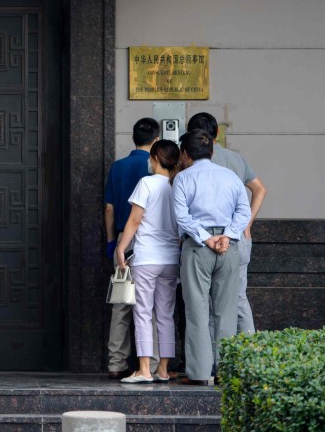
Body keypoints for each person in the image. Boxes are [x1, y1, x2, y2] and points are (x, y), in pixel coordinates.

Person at [172, 129, 251, 385]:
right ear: (212, 151)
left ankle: (199, 374)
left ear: (184, 153)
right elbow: (243, 211)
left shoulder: (183, 179)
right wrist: (227, 235)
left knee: (197, 312)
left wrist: (206, 238)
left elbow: (181, 217)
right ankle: (224, 372)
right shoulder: (230, 177)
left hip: (198, 248)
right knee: (226, 313)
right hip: (228, 249)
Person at [186, 112, 268, 334]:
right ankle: (249, 355)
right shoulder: (236, 158)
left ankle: (214, 361)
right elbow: (260, 189)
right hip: (236, 238)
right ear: (218, 133)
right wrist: (246, 224)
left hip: (204, 241)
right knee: (239, 298)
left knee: (210, 303)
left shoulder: (191, 163)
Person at [115, 139, 182, 384]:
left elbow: (134, 221)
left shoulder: (146, 183)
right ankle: (163, 369)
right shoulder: (179, 184)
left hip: (146, 257)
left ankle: (144, 369)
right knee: (166, 314)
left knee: (143, 312)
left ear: (154, 158)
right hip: (171, 258)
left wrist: (122, 247)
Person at [103, 117, 160, 379]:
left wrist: (111, 242)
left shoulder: (118, 167)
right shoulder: (157, 168)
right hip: (151, 243)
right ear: (156, 139)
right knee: (152, 305)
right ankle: (155, 363)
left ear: (133, 137)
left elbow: (110, 208)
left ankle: (116, 362)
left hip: (122, 244)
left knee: (121, 303)